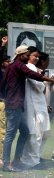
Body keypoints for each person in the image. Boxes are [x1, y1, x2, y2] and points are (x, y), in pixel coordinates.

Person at [1, 45, 54, 172]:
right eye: (27, 55)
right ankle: (7, 163)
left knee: (25, 132)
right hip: (14, 105)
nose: (29, 57)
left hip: (16, 104)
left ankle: (17, 160)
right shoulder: (18, 65)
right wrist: (53, 81)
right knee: (10, 135)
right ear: (21, 55)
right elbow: (34, 76)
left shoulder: (11, 66)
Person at [0, 36, 8, 166]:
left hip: (5, 102)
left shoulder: (7, 73)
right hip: (1, 103)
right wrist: (2, 45)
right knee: (2, 131)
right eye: (7, 61)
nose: (9, 63)